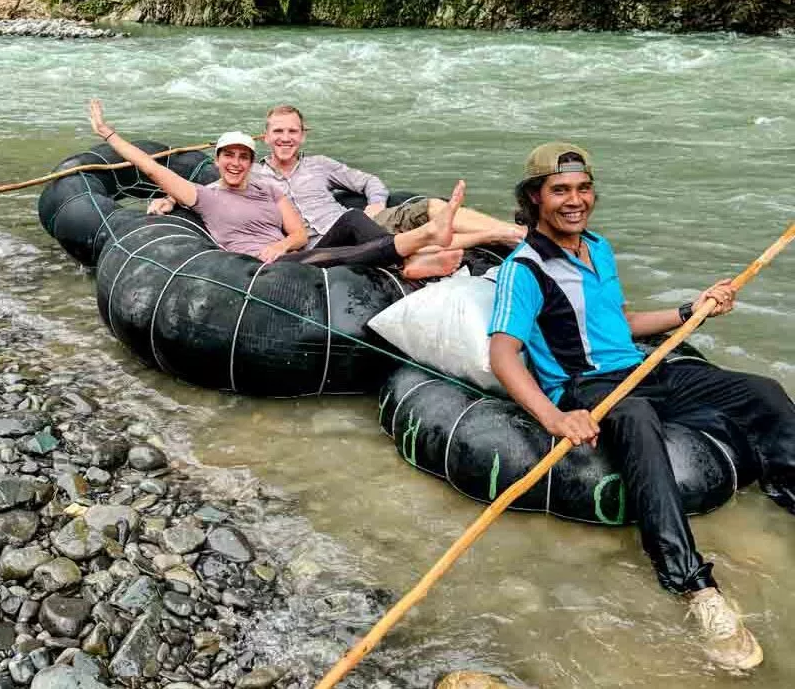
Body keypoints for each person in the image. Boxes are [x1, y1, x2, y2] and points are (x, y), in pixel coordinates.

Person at [488, 142, 795, 671]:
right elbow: (502, 354)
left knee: (762, 391)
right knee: (635, 416)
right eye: (560, 190)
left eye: (583, 189)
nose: (575, 200)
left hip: (643, 369)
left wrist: (691, 309)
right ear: (535, 197)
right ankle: (693, 585)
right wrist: (555, 417)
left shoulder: (598, 247)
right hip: (587, 386)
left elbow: (623, 323)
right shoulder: (525, 269)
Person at [88, 99, 464, 278]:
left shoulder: (268, 190)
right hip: (262, 269)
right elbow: (151, 167)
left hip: (289, 253)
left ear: (252, 162)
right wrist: (108, 134)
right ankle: (424, 241)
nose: (236, 163)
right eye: (228, 156)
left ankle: (415, 257)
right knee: (336, 256)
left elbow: (298, 234)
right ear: (217, 160)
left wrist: (281, 244)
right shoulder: (205, 195)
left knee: (350, 221)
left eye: (243, 157)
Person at [149, 104, 526, 252]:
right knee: (379, 233)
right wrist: (168, 200)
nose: (285, 138)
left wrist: (376, 204)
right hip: (322, 243)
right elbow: (209, 193)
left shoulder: (321, 165)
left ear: (302, 136)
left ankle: (515, 234)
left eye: (292, 132)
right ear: (266, 137)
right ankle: (492, 237)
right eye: (278, 132)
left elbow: (370, 182)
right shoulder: (253, 173)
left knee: (431, 206)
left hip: (362, 222)